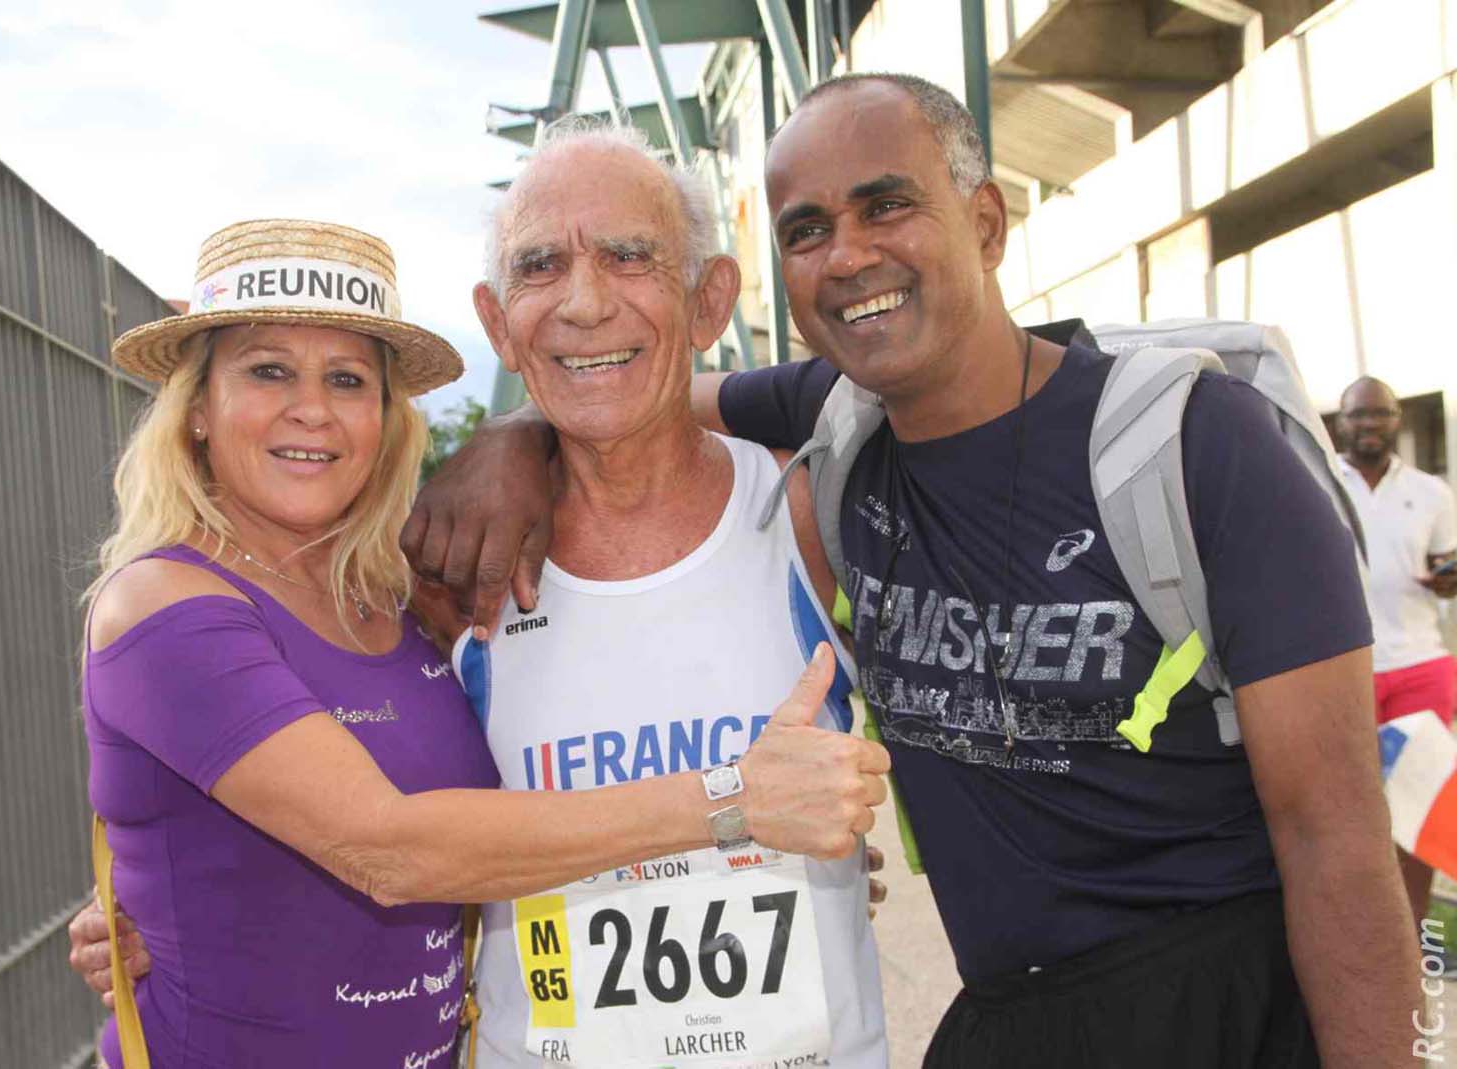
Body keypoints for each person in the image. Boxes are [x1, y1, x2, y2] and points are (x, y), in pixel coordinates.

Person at [408, 75, 1418, 1066]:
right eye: (807, 230)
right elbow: (629, 385)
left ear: (986, 224)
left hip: (1226, 1008)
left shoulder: (1196, 446)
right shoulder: (835, 431)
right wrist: (511, 434)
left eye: (887, 206)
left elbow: (1337, 840)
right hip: (1007, 1019)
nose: (849, 255)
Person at [76, 217, 889, 1069]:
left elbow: (500, 812)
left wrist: (765, 872)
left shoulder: (395, 602)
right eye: (267, 370)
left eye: (347, 379)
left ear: (385, 418)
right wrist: (735, 803)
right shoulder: (163, 605)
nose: (311, 408)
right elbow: (389, 848)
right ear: (197, 409)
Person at [451, 119, 887, 1067]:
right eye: (540, 266)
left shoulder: (805, 510)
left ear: (709, 300)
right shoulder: (455, 568)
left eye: (628, 255)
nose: (584, 302)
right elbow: (372, 825)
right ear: (497, 323)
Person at [1337, 375, 1457, 921]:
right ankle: (1362, 927)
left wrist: (1448, 580)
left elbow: (1444, 565)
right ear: (1341, 422)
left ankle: (1415, 931)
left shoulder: (1433, 493)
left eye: (1380, 413)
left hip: (1419, 665)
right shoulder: (1318, 482)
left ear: (1397, 419)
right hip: (1343, 667)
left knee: (1418, 805)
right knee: (1349, 807)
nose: (1369, 423)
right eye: (1358, 414)